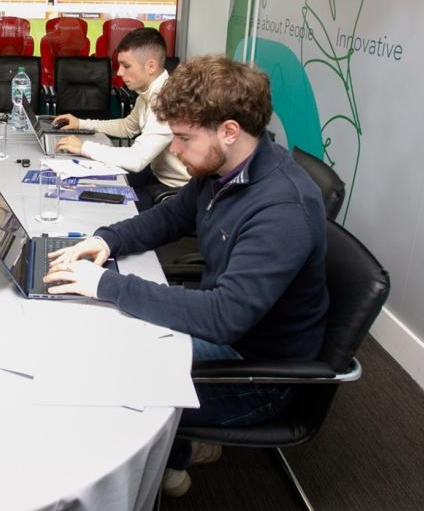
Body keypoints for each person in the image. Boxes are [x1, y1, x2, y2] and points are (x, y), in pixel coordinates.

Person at [43, 55, 329, 498]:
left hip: (258, 373)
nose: (174, 150)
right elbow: (169, 217)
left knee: (109, 382)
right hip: (231, 329)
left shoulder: (283, 209)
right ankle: (179, 452)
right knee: (100, 337)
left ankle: (168, 468)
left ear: (229, 131)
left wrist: (107, 284)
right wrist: (106, 241)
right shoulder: (224, 168)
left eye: (183, 138)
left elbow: (222, 318)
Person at [52, 28, 189, 209]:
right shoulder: (149, 93)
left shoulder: (166, 100)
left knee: (96, 203)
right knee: (87, 183)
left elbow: (136, 159)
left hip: (176, 190)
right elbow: (127, 127)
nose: (119, 73)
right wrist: (81, 123)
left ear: (151, 66)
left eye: (126, 66)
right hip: (155, 175)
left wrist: (83, 147)